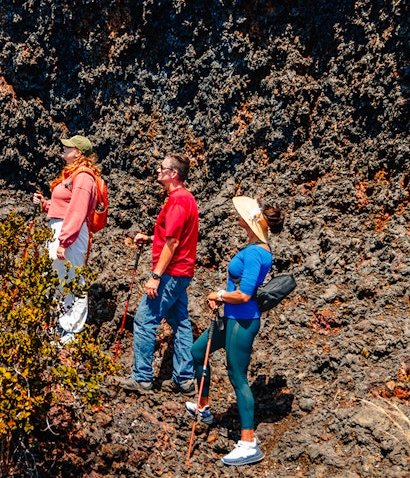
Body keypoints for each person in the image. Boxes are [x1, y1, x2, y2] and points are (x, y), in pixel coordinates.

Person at [184, 195, 284, 467]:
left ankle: (249, 443)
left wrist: (219, 294)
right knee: (197, 351)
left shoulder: (256, 253)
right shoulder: (254, 247)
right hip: (230, 317)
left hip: (242, 320)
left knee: (237, 376)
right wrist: (222, 298)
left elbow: (243, 295)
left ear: (251, 222)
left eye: (241, 214)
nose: (236, 215)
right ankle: (203, 407)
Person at [117, 153, 199, 396]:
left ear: (173, 174)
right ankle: (184, 379)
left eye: (162, 168)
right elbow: (175, 237)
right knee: (181, 323)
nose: (157, 170)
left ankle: (142, 377)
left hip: (170, 273)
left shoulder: (177, 201)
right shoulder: (187, 199)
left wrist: (155, 276)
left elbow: (173, 243)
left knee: (144, 320)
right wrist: (152, 238)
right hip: (182, 272)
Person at [33, 135, 101, 343]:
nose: (63, 148)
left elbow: (78, 210)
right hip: (62, 229)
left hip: (70, 232)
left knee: (73, 279)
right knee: (58, 277)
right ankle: (59, 326)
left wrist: (64, 241)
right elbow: (66, 207)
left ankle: (71, 332)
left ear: (78, 153)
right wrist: (45, 205)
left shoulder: (83, 177)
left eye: (68, 146)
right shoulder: (73, 175)